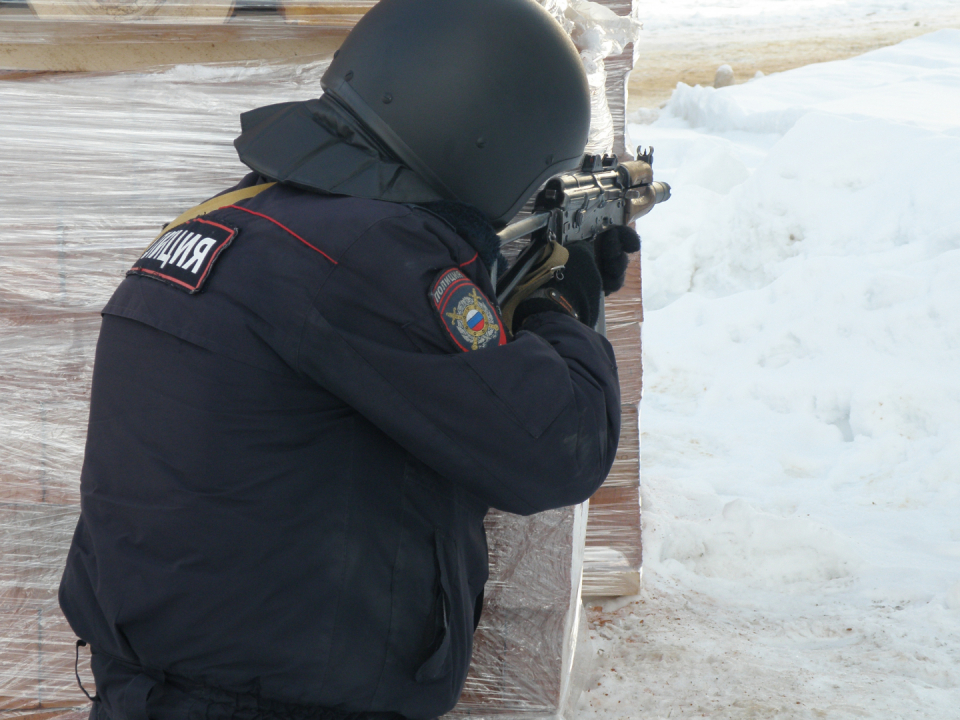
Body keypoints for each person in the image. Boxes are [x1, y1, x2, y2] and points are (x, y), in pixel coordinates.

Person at [58, 1, 638, 719]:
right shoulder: (373, 259)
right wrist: (562, 297)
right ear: (485, 132)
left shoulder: (222, 223)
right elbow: (557, 448)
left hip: (144, 689)